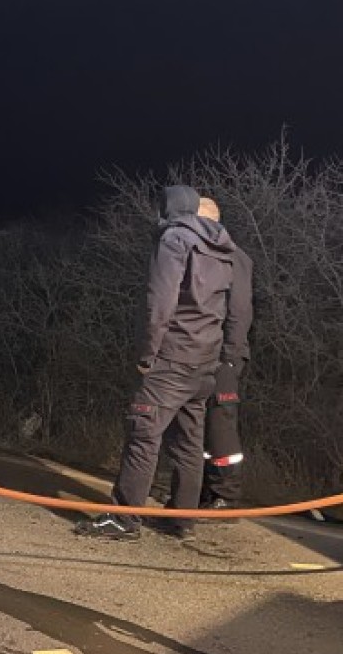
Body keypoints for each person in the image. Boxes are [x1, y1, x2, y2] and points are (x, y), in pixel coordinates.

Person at [76, 185, 238, 541]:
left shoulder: (175, 239)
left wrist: (147, 354)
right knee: (188, 442)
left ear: (171, 208)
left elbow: (159, 302)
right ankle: (180, 519)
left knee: (143, 433)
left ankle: (123, 518)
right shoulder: (224, 250)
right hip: (204, 361)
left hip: (171, 358)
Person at [196, 197, 254, 514]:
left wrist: (230, 354)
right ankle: (209, 489)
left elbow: (239, 309)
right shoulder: (211, 254)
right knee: (204, 423)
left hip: (225, 355)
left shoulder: (234, 257)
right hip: (205, 351)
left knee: (221, 422)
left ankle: (226, 495)